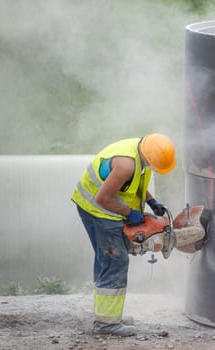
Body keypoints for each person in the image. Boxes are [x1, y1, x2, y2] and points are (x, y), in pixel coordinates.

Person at [71, 133, 176, 336]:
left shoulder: (141, 153)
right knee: (114, 261)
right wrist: (130, 213)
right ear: (150, 158)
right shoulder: (125, 165)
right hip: (97, 209)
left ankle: (107, 314)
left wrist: (152, 201)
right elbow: (103, 198)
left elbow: (134, 183)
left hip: (105, 209)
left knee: (106, 261)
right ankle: (106, 324)